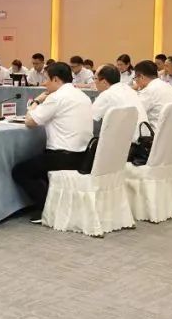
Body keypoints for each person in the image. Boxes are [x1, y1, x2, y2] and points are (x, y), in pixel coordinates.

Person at [12, 62, 93, 223]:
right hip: (83, 156)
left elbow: (30, 121)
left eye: (46, 79)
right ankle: (51, 201)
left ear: (56, 79)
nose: (44, 84)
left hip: (62, 157)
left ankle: (44, 208)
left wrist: (36, 102)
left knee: (20, 171)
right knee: (38, 163)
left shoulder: (56, 97)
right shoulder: (83, 96)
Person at [91, 65, 148, 137]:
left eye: (95, 78)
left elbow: (89, 121)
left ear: (104, 82)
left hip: (124, 141)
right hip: (144, 138)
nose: (94, 82)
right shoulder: (128, 89)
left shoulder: (107, 94)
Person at [132, 60, 172, 129]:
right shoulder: (169, 87)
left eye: (135, 78)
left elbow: (135, 113)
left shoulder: (149, 90)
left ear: (141, 77)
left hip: (155, 133)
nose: (136, 81)